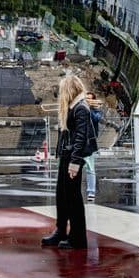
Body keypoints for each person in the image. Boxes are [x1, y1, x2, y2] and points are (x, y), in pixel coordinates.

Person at [41, 75, 98, 250]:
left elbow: (80, 137)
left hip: (73, 156)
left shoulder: (81, 108)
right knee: (62, 196)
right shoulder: (74, 107)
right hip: (68, 155)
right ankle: (61, 231)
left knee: (73, 198)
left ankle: (78, 238)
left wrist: (75, 162)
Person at [83, 91, 103, 202]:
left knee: (90, 168)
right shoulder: (81, 108)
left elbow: (97, 118)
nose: (88, 101)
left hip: (90, 141)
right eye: (86, 99)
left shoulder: (96, 109)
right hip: (80, 140)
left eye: (90, 99)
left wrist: (89, 108)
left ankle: (91, 192)